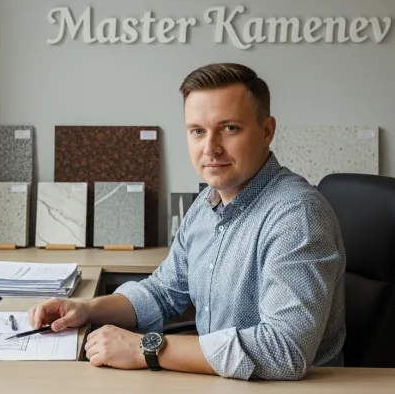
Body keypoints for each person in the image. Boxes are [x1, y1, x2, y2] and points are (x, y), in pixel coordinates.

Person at [28, 63, 347, 381]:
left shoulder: (297, 216)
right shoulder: (207, 203)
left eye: (229, 128)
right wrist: (86, 309)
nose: (210, 149)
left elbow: (285, 350)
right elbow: (163, 291)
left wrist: (146, 349)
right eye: (198, 131)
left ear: (267, 131)